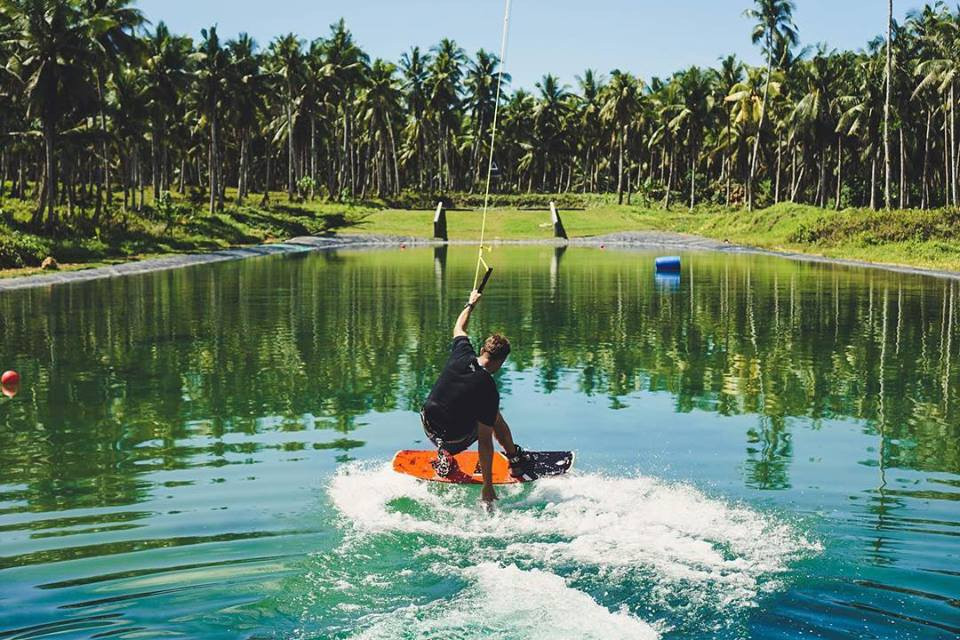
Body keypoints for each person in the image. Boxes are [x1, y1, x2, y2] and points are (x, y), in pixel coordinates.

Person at [421, 289, 535, 503]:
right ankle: (515, 459)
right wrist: (487, 486)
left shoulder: (462, 353)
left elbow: (459, 327)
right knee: (494, 416)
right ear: (501, 361)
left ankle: (444, 453)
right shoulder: (488, 389)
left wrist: (471, 303)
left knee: (465, 408)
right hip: (454, 437)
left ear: (483, 349)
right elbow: (485, 442)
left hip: (428, 425)